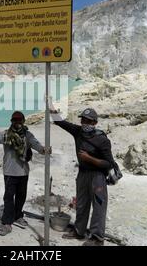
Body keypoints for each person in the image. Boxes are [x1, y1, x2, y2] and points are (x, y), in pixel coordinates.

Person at [49, 99, 114, 246]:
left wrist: (89, 158)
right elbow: (60, 121)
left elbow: (108, 163)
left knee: (98, 206)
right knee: (82, 204)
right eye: (83, 120)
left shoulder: (102, 139)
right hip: (82, 174)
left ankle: (97, 238)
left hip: (98, 176)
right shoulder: (78, 132)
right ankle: (79, 231)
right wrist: (50, 105)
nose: (85, 123)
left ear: (94, 123)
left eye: (88, 121)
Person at [0, 111, 51, 236]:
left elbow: (37, 145)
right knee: (9, 198)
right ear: (11, 121)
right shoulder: (5, 135)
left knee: (21, 196)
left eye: (19, 120)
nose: (17, 123)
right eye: (15, 120)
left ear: (23, 121)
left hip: (23, 172)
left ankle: (18, 215)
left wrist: (44, 150)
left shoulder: (28, 135)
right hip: (10, 172)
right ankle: (7, 223)